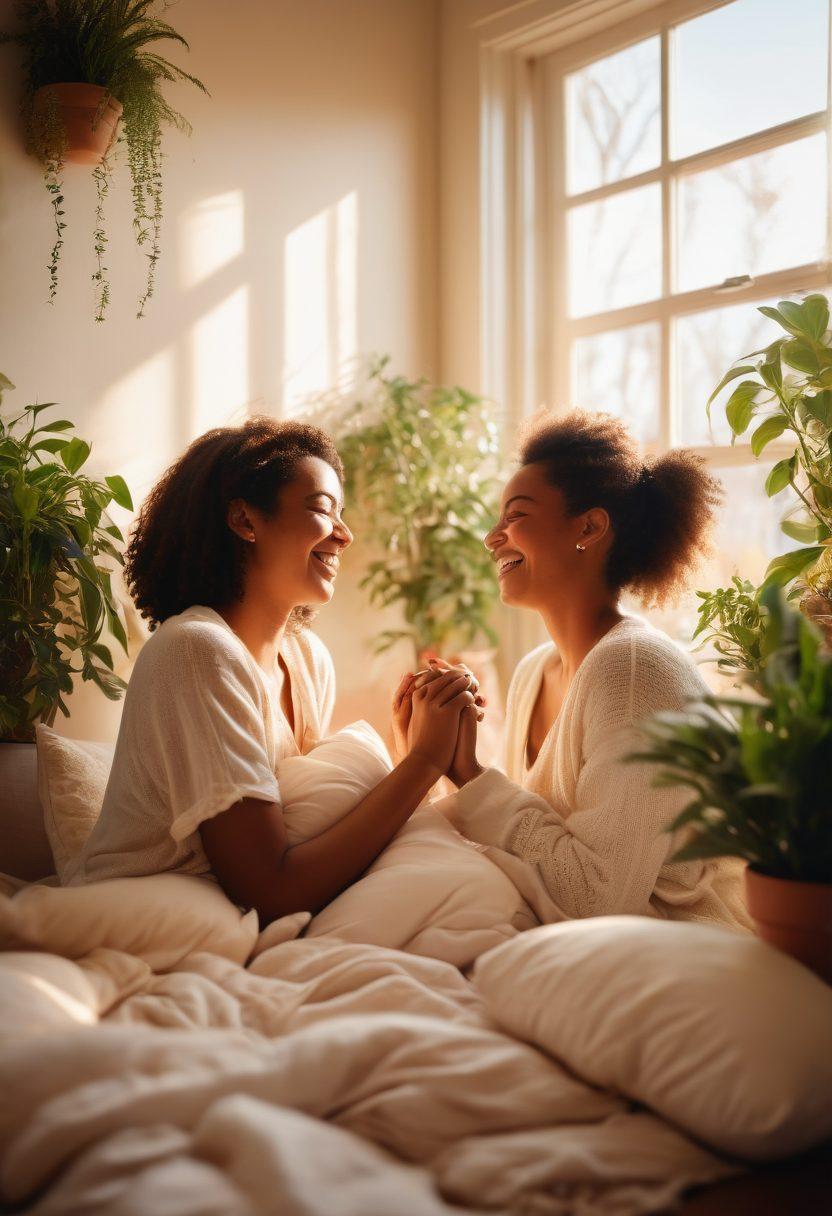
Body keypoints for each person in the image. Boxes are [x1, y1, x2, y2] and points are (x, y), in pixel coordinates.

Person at [73, 417, 477, 927]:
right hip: (147, 920)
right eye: (323, 509)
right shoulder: (197, 651)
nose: (345, 535)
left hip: (236, 921)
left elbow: (305, 823)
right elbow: (273, 888)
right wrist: (422, 763)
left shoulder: (307, 660)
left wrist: (410, 742)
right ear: (245, 520)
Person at [399, 409, 752, 931]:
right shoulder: (532, 673)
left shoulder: (633, 671)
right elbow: (526, 853)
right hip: (581, 944)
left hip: (689, 951)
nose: (492, 538)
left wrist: (471, 774)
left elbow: (597, 895)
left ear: (589, 526)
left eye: (515, 516)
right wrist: (426, 753)